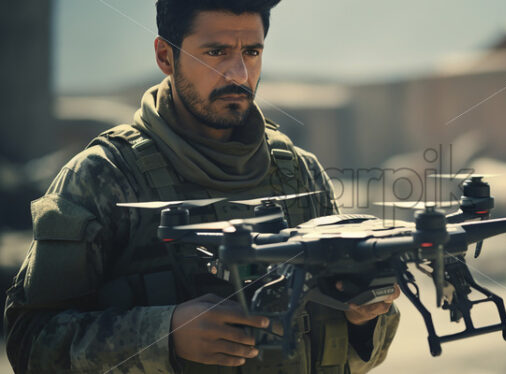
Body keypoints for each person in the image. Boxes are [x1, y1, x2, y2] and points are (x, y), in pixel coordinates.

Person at [4, 0, 400, 373]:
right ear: (165, 56)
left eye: (252, 53)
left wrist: (363, 316)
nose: (239, 75)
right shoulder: (103, 177)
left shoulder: (302, 173)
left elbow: (347, 355)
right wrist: (165, 335)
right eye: (216, 53)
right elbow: (29, 343)